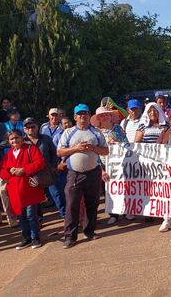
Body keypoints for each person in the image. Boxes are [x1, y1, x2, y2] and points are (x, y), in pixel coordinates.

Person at [57, 104, 109, 249]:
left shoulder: (96, 132)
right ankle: (70, 237)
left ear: (89, 115)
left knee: (92, 203)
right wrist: (76, 148)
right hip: (75, 174)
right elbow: (59, 152)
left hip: (93, 172)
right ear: (75, 117)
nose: (82, 116)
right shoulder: (68, 132)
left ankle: (89, 231)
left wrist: (92, 148)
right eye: (79, 114)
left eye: (85, 114)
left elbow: (105, 151)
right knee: (72, 205)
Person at [0, 129, 46, 250]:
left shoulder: (30, 149)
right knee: (21, 216)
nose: (14, 140)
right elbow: (1, 171)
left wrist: (24, 169)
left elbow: (40, 162)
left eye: (16, 138)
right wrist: (10, 171)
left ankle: (35, 237)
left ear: (22, 137)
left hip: (29, 187)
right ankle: (26, 238)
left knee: (31, 215)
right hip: (15, 189)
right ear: (8, 141)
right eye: (11, 139)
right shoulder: (9, 154)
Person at [90, 107, 127, 225]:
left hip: (120, 163)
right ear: (98, 119)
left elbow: (127, 144)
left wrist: (118, 144)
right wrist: (101, 170)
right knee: (108, 191)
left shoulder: (118, 128)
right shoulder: (95, 132)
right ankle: (113, 214)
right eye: (102, 115)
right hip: (104, 165)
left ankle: (126, 210)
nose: (105, 116)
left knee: (123, 188)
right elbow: (94, 152)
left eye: (107, 114)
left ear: (111, 116)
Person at [23, 117, 60, 220]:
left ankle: (65, 215)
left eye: (33, 127)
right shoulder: (22, 141)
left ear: (37, 127)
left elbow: (54, 153)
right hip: (31, 174)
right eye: (27, 127)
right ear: (24, 129)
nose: (30, 129)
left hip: (48, 172)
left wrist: (53, 166)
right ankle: (38, 219)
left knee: (57, 195)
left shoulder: (46, 139)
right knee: (35, 199)